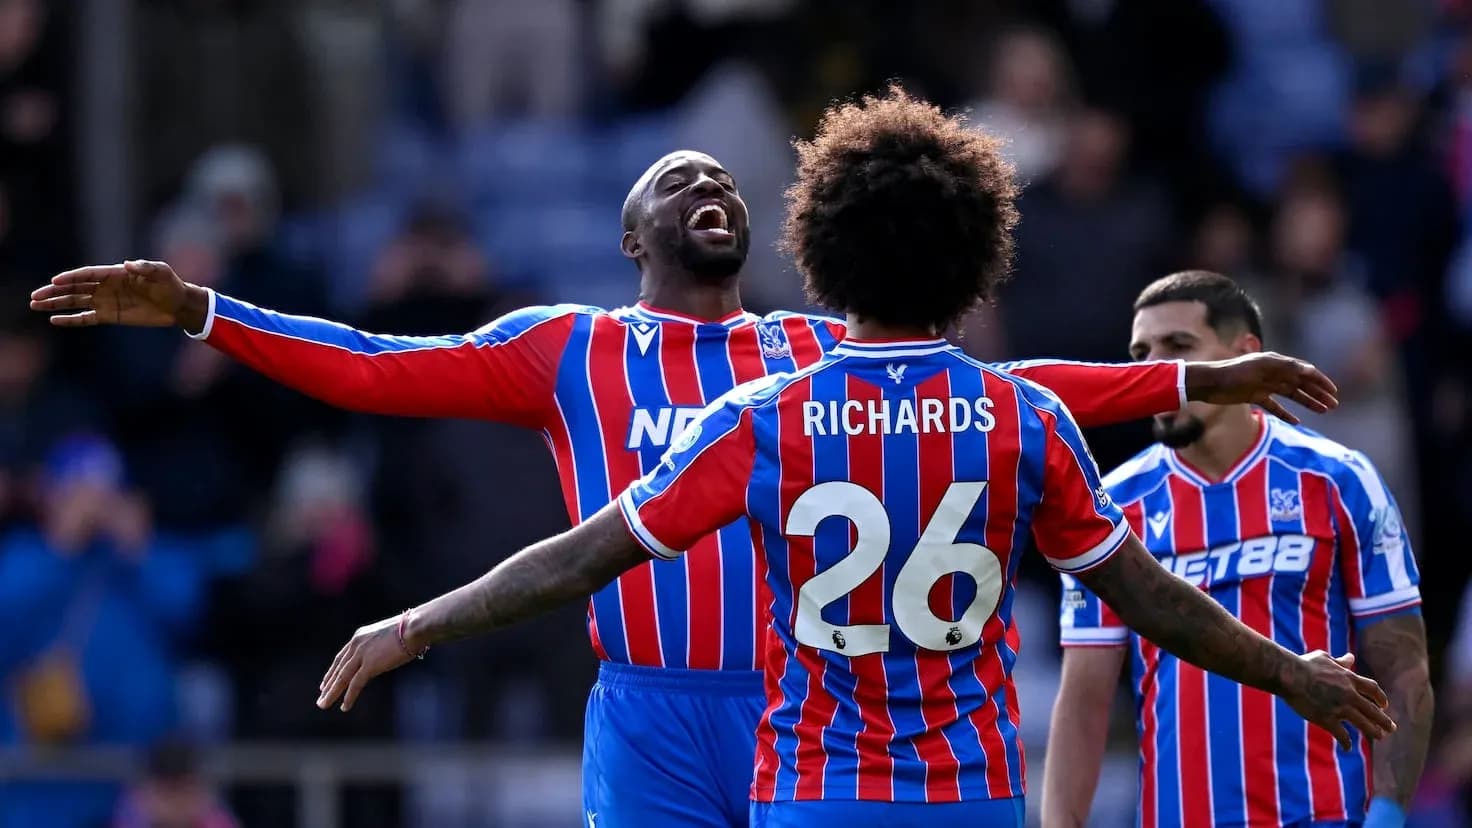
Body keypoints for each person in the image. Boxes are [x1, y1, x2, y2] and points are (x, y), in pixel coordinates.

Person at [34, 153, 1337, 827]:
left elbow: (1022, 392)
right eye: (677, 182)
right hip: (650, 716)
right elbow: (376, 370)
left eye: (724, 183)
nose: (709, 189)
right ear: (628, 237)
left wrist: (1190, 389)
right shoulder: (568, 346)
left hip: (801, 714)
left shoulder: (818, 354)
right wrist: (205, 310)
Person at [310, 87, 1393, 828]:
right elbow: (1147, 595)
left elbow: (577, 560)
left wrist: (417, 625)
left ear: (825, 251)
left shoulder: (763, 417)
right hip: (969, 790)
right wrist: (1288, 671)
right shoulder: (1016, 417)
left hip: (814, 782)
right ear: (971, 259)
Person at [1042, 271, 1432, 828]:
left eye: (1179, 347)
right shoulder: (1111, 505)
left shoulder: (1338, 481)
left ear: (1244, 356)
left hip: (1322, 817)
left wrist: (1387, 817)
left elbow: (1405, 669)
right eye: (1140, 353)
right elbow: (1083, 699)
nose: (1156, 369)